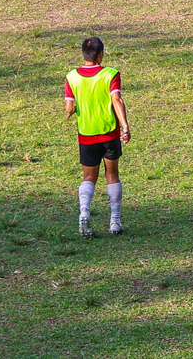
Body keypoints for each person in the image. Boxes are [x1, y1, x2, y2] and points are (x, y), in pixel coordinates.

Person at [64, 36, 132, 237]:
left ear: (84, 54)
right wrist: (125, 126)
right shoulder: (111, 74)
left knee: (89, 177)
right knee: (112, 175)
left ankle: (84, 211)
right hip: (109, 133)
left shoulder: (71, 77)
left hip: (86, 135)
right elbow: (117, 101)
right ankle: (115, 221)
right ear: (101, 54)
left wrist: (76, 109)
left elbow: (68, 107)